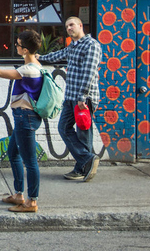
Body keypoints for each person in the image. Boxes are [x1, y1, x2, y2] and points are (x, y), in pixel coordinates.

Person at [0, 30, 43, 213]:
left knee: (30, 161)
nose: (16, 46)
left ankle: (32, 202)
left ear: (25, 49)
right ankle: (19, 195)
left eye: (18, 44)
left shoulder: (28, 70)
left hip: (25, 117)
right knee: (13, 153)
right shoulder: (36, 64)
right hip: (24, 117)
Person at [39, 16, 102, 182]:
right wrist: (39, 57)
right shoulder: (72, 46)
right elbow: (58, 55)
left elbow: (89, 73)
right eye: (67, 26)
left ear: (81, 25)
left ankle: (83, 168)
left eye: (72, 25)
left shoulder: (91, 45)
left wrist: (82, 97)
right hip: (70, 97)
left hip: (83, 98)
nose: (69, 28)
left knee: (83, 134)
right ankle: (87, 161)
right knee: (63, 128)